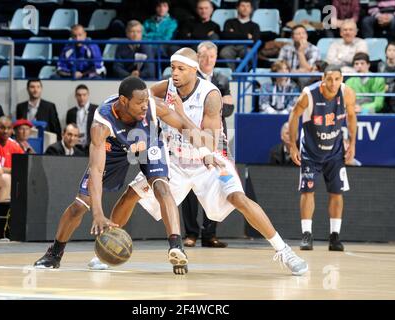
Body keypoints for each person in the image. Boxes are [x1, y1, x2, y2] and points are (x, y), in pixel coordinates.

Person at [108, 48, 309, 276]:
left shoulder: (210, 95)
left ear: (194, 70)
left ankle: (284, 251)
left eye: (181, 69)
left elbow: (210, 143)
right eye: (173, 67)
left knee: (238, 199)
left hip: (209, 160)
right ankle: (106, 248)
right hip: (173, 160)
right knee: (131, 194)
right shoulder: (166, 87)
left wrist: (179, 114)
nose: (175, 73)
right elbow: (141, 100)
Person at [34, 76, 223, 274]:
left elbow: (184, 126)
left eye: (145, 101)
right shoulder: (101, 123)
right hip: (114, 148)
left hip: (147, 142)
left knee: (161, 186)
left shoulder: (152, 106)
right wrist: (98, 214)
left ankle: (176, 247)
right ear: (123, 101)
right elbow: (97, 171)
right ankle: (54, 254)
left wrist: (206, 152)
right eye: (139, 102)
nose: (144, 106)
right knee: (80, 205)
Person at [288, 64, 358, 252]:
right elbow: (294, 116)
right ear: (323, 79)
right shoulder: (309, 94)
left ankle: (334, 236)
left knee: (337, 192)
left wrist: (352, 143)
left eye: (337, 79)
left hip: (334, 151)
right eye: (330, 79)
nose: (333, 83)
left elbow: (351, 117)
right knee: (307, 191)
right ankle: (307, 234)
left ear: (341, 79)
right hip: (310, 151)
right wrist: (292, 145)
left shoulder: (348, 93)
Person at [179, 41, 234, 248]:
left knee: (215, 183)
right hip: (192, 137)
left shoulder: (222, 78)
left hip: (217, 137)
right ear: (197, 58)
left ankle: (209, 234)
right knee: (191, 187)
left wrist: (213, 107)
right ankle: (191, 233)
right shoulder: (190, 77)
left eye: (212, 56)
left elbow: (229, 109)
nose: (208, 60)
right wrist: (215, 105)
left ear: (216, 58)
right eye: (204, 56)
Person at [219, 0, 260, 70]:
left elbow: (255, 40)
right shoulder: (229, 22)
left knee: (250, 53)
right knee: (224, 52)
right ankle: (232, 75)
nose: (245, 8)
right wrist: (246, 36)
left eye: (248, 6)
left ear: (251, 9)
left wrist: (234, 34)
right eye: (243, 6)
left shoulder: (255, 26)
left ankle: (244, 76)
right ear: (237, 8)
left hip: (246, 47)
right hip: (230, 46)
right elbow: (225, 36)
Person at [66, 84, 97, 153]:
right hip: (75, 147)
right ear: (75, 96)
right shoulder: (70, 112)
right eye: (79, 95)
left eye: (84, 95)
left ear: (88, 95)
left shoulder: (96, 110)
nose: (82, 97)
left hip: (92, 147)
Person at [378, 42, 395, 113]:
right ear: (385, 53)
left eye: (394, 50)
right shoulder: (380, 65)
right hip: (383, 93)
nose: (391, 52)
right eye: (389, 50)